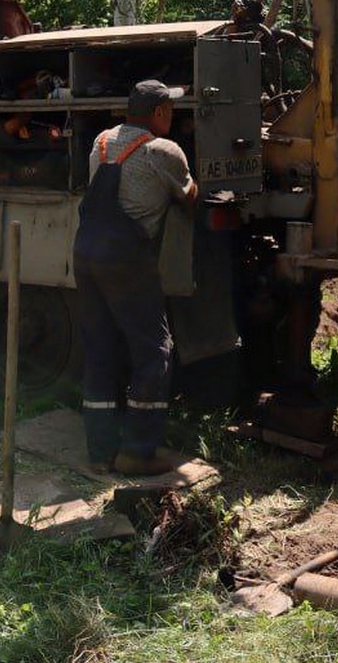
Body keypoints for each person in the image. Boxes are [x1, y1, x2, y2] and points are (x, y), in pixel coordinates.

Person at [73, 78, 198, 476]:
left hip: (87, 254)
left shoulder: (102, 142)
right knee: (154, 353)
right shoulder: (164, 151)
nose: (174, 117)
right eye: (170, 110)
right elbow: (188, 195)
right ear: (159, 114)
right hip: (126, 261)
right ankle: (138, 452)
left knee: (100, 349)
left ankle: (100, 452)